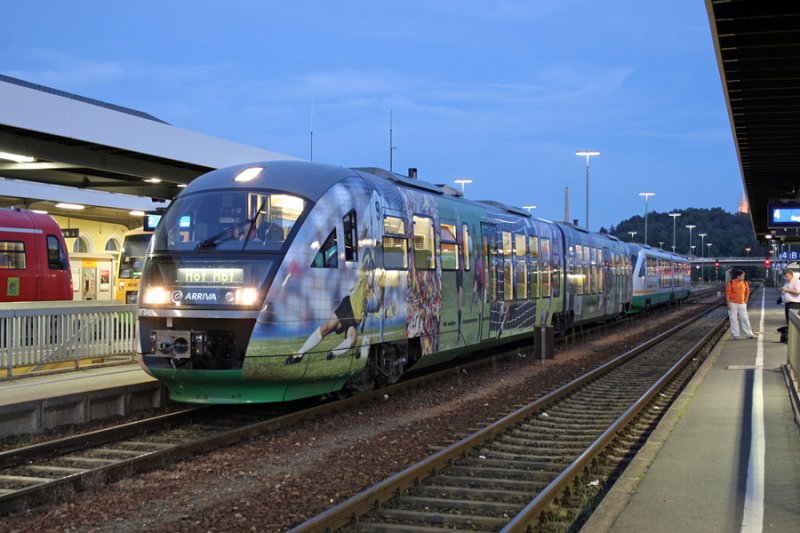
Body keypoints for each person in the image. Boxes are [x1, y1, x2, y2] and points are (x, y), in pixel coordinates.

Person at [725, 269, 755, 340]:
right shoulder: (731, 283)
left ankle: (749, 334)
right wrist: (728, 304)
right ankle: (736, 335)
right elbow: (728, 294)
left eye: (744, 276)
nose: (743, 277)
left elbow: (747, 292)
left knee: (745, 318)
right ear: (738, 276)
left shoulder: (745, 283)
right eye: (742, 276)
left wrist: (745, 302)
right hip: (733, 303)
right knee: (733, 319)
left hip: (742, 303)